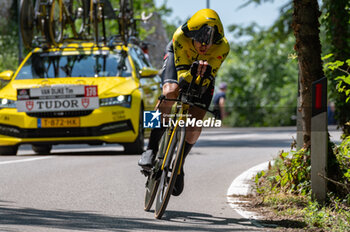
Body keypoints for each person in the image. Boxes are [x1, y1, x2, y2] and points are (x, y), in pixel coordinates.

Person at [138, 9, 230, 196]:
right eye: (199, 41)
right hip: (178, 61)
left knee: (195, 123)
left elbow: (206, 80)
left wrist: (200, 76)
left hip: (203, 72)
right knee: (170, 92)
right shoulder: (180, 36)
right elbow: (181, 79)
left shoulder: (222, 46)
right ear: (191, 35)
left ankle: (179, 165)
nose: (204, 47)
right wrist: (190, 74)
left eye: (208, 43)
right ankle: (150, 147)